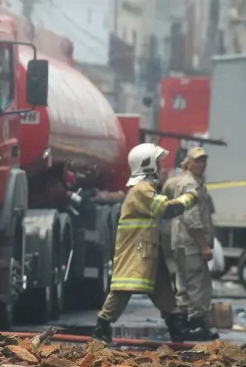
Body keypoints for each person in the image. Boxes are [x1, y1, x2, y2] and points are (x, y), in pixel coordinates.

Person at [91, 143, 199, 345]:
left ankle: (177, 331)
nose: (161, 167)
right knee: (124, 287)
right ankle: (101, 328)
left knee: (164, 290)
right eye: (158, 162)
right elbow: (166, 209)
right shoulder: (142, 189)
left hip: (147, 250)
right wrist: (190, 197)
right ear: (148, 165)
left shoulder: (146, 189)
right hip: (137, 251)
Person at [172, 147, 219, 340]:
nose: (202, 164)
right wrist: (204, 245)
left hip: (183, 243)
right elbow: (192, 219)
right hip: (191, 244)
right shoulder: (191, 184)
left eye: (204, 161)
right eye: (198, 161)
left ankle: (182, 324)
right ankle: (197, 325)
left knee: (184, 284)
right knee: (198, 285)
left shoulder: (191, 182)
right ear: (188, 163)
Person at [160, 159, 188, 293]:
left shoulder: (170, 183)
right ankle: (180, 286)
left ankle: (174, 283)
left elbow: (162, 205)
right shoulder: (196, 183)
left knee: (169, 257)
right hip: (187, 227)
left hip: (169, 226)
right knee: (183, 260)